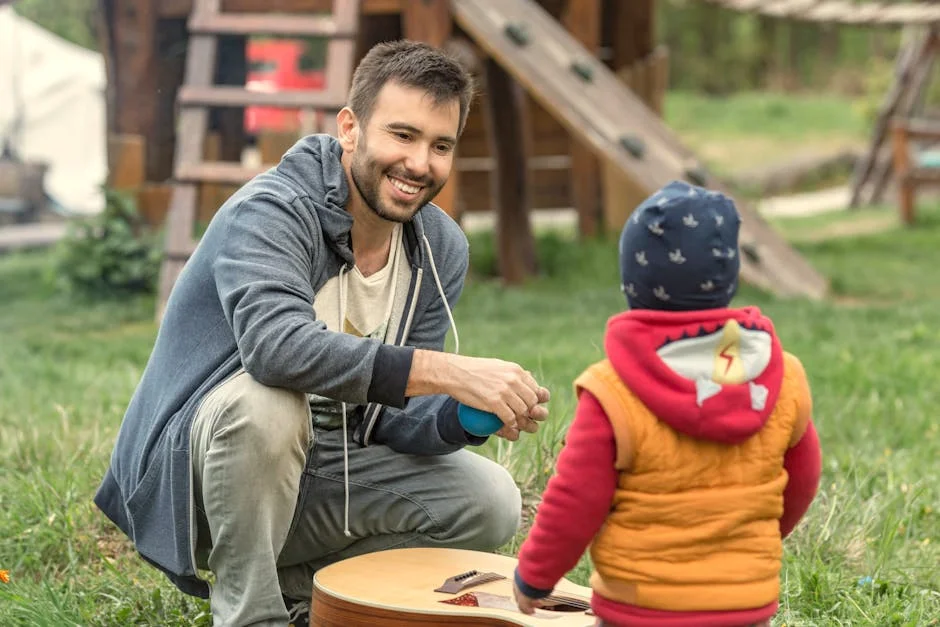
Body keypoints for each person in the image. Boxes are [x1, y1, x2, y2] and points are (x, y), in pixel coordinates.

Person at [94, 40, 551, 627]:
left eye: (441, 146)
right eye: (403, 135)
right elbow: (274, 349)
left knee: (489, 502)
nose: (420, 164)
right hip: (201, 483)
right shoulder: (271, 210)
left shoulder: (440, 247)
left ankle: (312, 600)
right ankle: (251, 615)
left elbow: (389, 416)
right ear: (350, 128)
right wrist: (446, 370)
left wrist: (461, 411)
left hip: (322, 474)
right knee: (267, 405)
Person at [512, 180, 822, 627]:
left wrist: (535, 577)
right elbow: (804, 476)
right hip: (746, 603)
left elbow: (576, 498)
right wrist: (758, 542)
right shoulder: (782, 375)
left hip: (641, 608)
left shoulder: (613, 391)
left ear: (632, 283)